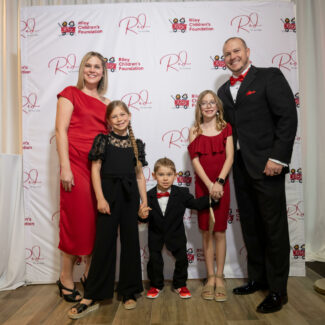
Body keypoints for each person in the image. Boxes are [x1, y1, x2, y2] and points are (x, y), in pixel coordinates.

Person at [217, 37, 298, 313]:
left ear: (248, 52)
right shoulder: (223, 91)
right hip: (239, 167)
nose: (232, 56)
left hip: (268, 165)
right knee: (250, 225)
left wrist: (278, 158)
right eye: (227, 53)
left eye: (236, 51)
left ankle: (278, 291)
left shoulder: (269, 77)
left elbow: (287, 118)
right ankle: (257, 278)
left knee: (274, 229)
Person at [68, 100, 148, 319]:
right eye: (114, 116)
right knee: (104, 243)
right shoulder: (102, 140)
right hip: (108, 196)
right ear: (108, 121)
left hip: (130, 197)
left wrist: (143, 201)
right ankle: (92, 294)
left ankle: (129, 291)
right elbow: (95, 171)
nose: (119, 119)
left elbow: (140, 175)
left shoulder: (136, 144)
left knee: (131, 242)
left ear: (129, 116)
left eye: (123, 115)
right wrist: (100, 199)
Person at [55, 51, 109, 302]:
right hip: (75, 165)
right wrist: (65, 166)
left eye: (97, 66)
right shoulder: (70, 93)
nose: (92, 69)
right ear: (82, 69)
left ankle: (88, 274)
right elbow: (61, 130)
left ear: (103, 72)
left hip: (99, 168)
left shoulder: (108, 104)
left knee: (97, 224)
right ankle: (65, 277)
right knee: (75, 223)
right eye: (88, 65)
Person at [138, 157, 217, 300]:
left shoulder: (181, 193)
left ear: (175, 176)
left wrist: (213, 198)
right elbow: (145, 216)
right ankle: (156, 285)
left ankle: (180, 284)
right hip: (155, 235)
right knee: (155, 261)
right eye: (161, 175)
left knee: (182, 260)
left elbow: (196, 204)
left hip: (176, 234)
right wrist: (141, 215)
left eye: (169, 174)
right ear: (154, 176)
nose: (165, 179)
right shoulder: (147, 195)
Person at [188, 90, 234, 302]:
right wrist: (209, 185)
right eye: (204, 103)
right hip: (203, 187)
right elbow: (195, 161)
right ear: (199, 107)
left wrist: (220, 182)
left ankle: (220, 277)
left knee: (220, 232)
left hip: (222, 187)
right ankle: (209, 278)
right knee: (206, 231)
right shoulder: (194, 131)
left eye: (212, 103)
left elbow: (230, 158)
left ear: (218, 107)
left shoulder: (226, 129)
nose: (208, 106)